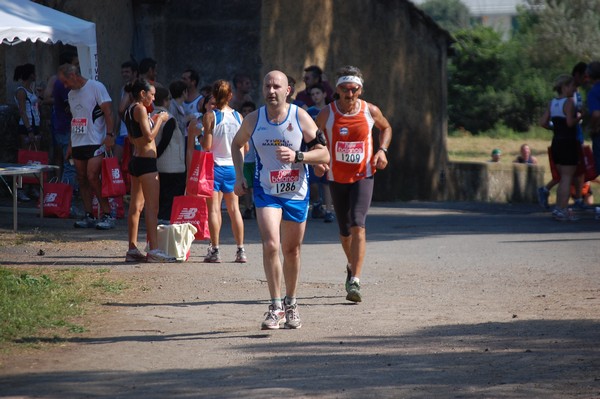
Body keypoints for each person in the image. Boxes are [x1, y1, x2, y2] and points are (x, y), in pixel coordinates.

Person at [231, 70, 330, 329]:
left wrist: (299, 157)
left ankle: (291, 302)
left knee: (292, 250)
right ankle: (275, 306)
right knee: (271, 244)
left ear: (288, 91)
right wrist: (239, 175)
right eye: (267, 86)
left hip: (296, 192)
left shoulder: (300, 117)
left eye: (277, 86)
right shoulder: (253, 119)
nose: (271, 91)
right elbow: (236, 144)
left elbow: (324, 154)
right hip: (266, 191)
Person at [315, 65, 392, 303]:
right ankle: (351, 264)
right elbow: (312, 139)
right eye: (345, 90)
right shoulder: (326, 114)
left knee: (358, 224)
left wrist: (382, 150)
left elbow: (386, 128)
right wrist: (317, 159)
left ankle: (355, 281)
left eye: (354, 89)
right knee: (344, 231)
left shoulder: (370, 110)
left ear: (360, 90)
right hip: (336, 178)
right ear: (337, 90)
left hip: (363, 175)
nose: (350, 94)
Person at [123, 79, 176, 263]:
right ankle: (153, 250)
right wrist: (160, 120)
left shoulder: (130, 110)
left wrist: (152, 120)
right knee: (152, 208)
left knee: (136, 207)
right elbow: (149, 137)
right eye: (151, 94)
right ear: (142, 93)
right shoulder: (140, 109)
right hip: (146, 164)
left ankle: (132, 248)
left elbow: (133, 137)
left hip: (137, 160)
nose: (153, 98)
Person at [57, 64, 116, 230]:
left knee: (92, 176)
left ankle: (107, 213)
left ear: (74, 75)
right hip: (78, 142)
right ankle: (89, 214)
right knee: (81, 178)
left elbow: (109, 112)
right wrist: (70, 144)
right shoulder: (71, 94)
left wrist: (110, 135)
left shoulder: (96, 87)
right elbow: (75, 119)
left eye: (66, 81)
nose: (65, 85)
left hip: (96, 140)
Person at [197, 80, 247, 264]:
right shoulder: (239, 117)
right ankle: (240, 250)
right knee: (235, 210)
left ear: (214, 96)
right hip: (232, 167)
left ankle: (215, 250)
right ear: (230, 96)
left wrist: (199, 135)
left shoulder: (210, 116)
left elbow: (207, 145)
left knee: (214, 210)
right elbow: (245, 146)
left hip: (214, 167)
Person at [539, 62, 588, 209]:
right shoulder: (568, 103)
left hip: (556, 142)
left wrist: (554, 128)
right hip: (568, 142)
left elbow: (543, 122)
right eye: (573, 87)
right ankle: (561, 209)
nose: (574, 90)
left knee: (563, 178)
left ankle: (559, 208)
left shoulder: (552, 103)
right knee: (567, 178)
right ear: (565, 87)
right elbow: (570, 123)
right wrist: (580, 116)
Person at [152, 86, 186, 223]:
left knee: (160, 196)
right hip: (172, 165)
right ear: (166, 101)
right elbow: (165, 140)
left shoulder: (149, 116)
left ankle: (160, 221)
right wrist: (157, 154)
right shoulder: (168, 118)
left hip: (156, 165)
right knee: (170, 198)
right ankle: (166, 223)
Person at [13, 63, 42, 202]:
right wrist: (29, 129)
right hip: (26, 127)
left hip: (35, 125)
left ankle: (32, 187)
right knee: (24, 159)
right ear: (30, 74)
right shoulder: (21, 91)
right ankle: (20, 189)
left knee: (34, 158)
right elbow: (22, 111)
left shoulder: (31, 90)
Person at [306, 83, 334, 222]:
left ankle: (329, 210)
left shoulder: (331, 110)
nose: (315, 96)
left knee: (326, 182)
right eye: (312, 94)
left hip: (329, 151)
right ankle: (317, 202)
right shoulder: (309, 112)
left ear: (324, 94)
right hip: (313, 151)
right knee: (313, 182)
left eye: (317, 93)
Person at [115, 60, 139, 163]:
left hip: (134, 133)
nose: (124, 74)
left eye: (127, 72)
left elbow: (120, 110)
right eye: (123, 72)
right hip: (123, 132)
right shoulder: (123, 88)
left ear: (135, 73)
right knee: (117, 162)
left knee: (133, 162)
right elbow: (119, 111)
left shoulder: (138, 89)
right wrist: (114, 131)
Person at [240, 101, 257, 219]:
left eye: (249, 111)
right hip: (244, 161)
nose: (247, 113)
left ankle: (257, 206)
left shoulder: (258, 126)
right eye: (244, 111)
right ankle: (247, 207)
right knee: (246, 186)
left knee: (256, 186)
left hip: (256, 161)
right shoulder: (240, 126)